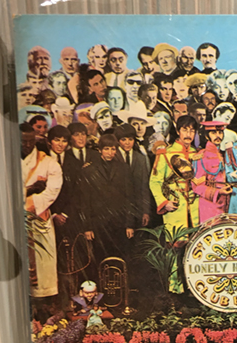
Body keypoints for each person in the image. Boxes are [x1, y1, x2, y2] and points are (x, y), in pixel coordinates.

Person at [149, 115, 200, 293]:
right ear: (178, 131)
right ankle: (175, 289)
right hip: (175, 209)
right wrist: (164, 203)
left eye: (192, 130)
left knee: (195, 248)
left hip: (195, 208)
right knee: (175, 248)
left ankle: (195, 288)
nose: (188, 134)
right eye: (185, 130)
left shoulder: (197, 154)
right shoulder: (166, 153)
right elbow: (155, 182)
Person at [21, 123, 63, 298]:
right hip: (13, 220)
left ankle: (44, 302)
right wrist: (30, 189)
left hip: (39, 218)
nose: (27, 145)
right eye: (23, 141)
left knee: (43, 265)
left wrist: (24, 204)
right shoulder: (5, 162)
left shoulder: (49, 163)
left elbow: (52, 191)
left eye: (31, 141)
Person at [80, 133, 136, 263]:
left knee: (121, 259)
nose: (110, 153)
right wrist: (87, 227)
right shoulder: (88, 170)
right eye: (106, 149)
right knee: (100, 258)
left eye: (113, 149)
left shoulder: (124, 169)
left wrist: (129, 224)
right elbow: (85, 201)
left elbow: (129, 198)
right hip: (98, 224)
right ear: (99, 150)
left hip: (119, 223)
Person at [193, 121, 232, 222]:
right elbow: (197, 186)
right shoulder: (201, 156)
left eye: (220, 132)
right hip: (209, 205)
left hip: (225, 203)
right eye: (214, 133)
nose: (218, 136)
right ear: (207, 136)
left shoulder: (224, 154)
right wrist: (217, 192)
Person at [114, 123, 152, 227]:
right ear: (118, 141)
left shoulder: (141, 159)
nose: (127, 143)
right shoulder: (113, 157)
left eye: (130, 139)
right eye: (124, 139)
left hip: (137, 210)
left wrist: (146, 212)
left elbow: (144, 187)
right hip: (117, 210)